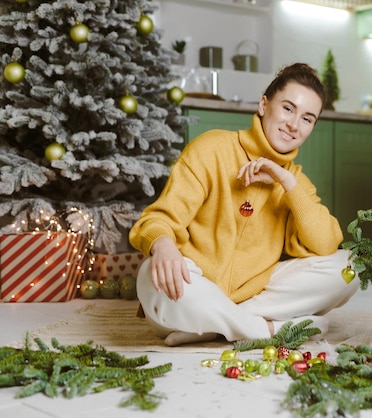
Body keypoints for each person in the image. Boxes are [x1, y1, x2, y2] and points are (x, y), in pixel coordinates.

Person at [129, 63, 359, 346]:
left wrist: (285, 181)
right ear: (264, 105)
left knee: (350, 267)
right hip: (194, 285)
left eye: (307, 119)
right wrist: (162, 245)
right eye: (288, 109)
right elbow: (158, 218)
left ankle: (215, 325)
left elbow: (326, 244)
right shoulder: (212, 148)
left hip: (252, 294)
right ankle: (267, 330)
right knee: (149, 276)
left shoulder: (295, 182)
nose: (293, 125)